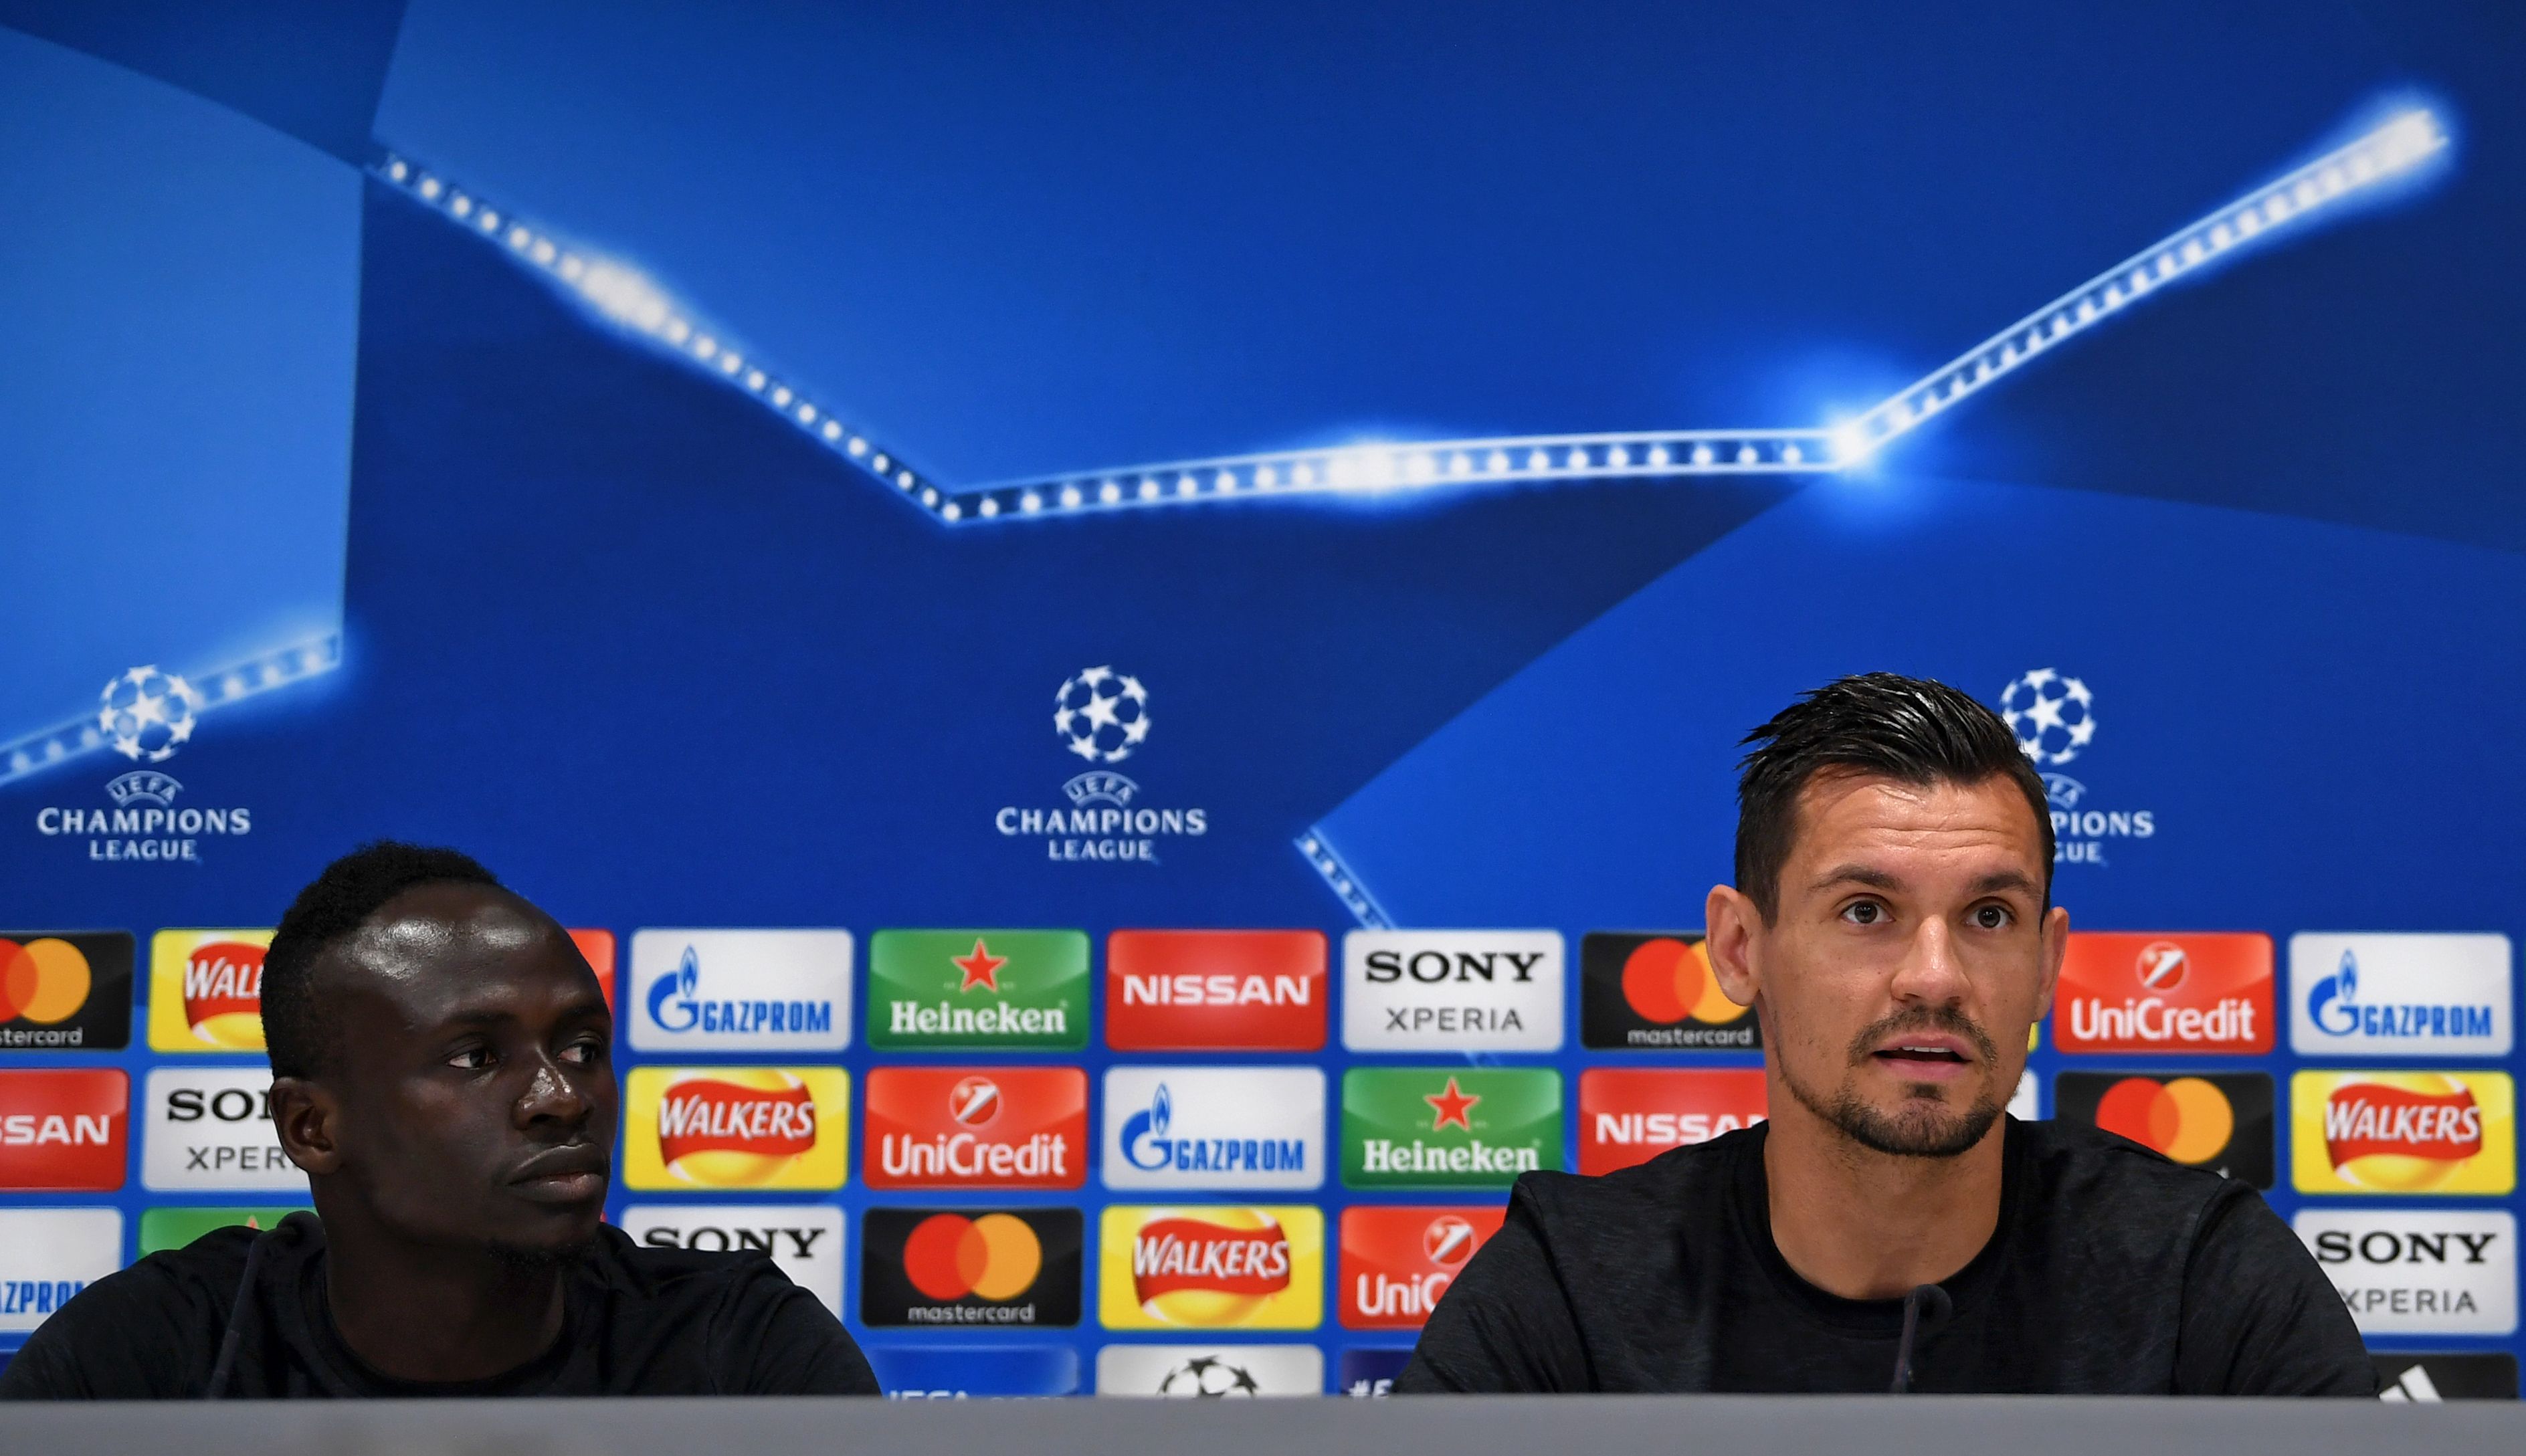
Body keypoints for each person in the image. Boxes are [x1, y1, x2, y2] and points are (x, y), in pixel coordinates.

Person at [1397, 673, 2369, 1395]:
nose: (1936, 976)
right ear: (1740, 948)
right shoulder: (1573, 1286)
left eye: (1990, 915)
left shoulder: (2206, 1276)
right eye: (1867, 910)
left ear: (2044, 962)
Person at [0, 841, 880, 1399]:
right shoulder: (149, 1359)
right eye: (477, 1057)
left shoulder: (745, 1352)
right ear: (312, 1127)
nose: (562, 1096)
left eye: (580, 1045)